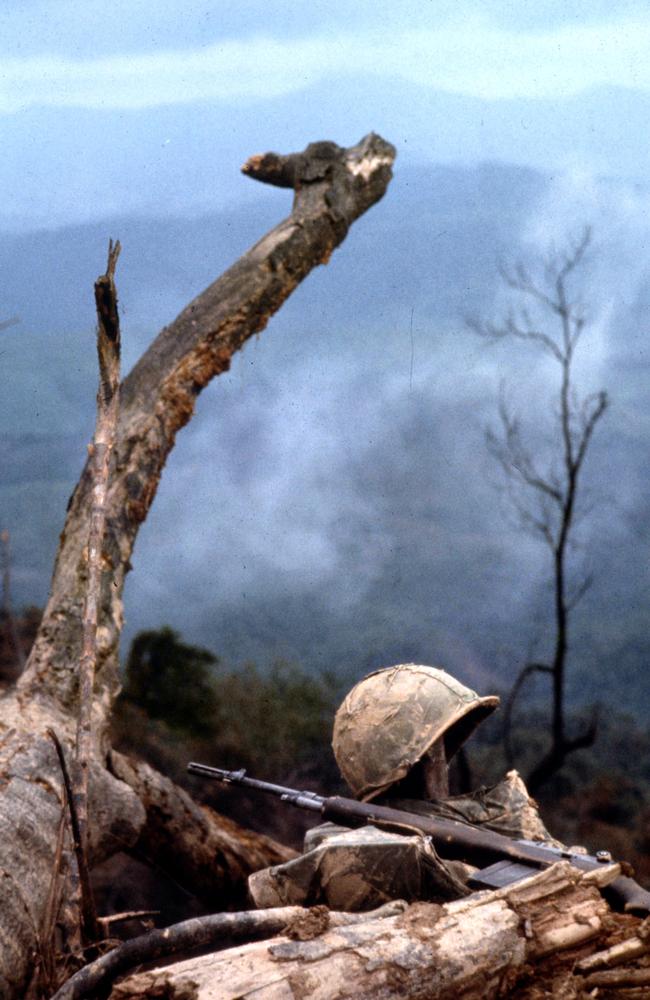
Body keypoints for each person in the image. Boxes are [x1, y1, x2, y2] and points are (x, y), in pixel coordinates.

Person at [249, 663, 564, 911]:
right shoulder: (402, 860)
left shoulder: (347, 855)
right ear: (426, 763)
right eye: (440, 751)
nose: (445, 764)